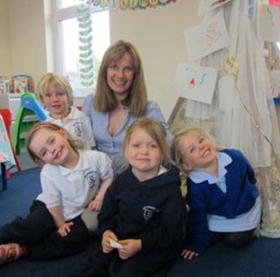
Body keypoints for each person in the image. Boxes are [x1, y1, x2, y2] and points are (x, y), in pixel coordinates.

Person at [72, 118, 186, 277]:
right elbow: (107, 211)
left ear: (163, 152)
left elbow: (171, 232)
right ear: (126, 149)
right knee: (96, 263)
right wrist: (107, 231)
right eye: (136, 145)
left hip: (155, 244)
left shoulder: (171, 190)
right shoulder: (121, 180)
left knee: (127, 271)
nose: (144, 151)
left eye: (153, 146)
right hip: (121, 236)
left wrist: (141, 245)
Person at [0, 122, 114, 265]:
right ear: (41, 160)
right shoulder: (48, 172)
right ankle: (4, 235)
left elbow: (108, 177)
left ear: (63, 133)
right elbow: (53, 203)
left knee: (74, 239)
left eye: (52, 141)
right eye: (44, 153)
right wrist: (60, 224)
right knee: (33, 227)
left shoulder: (97, 158)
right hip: (48, 207)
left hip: (78, 211)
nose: (52, 150)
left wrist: (99, 197)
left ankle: (21, 249)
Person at [82, 40, 172, 175]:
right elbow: (82, 141)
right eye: (114, 67)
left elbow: (169, 145)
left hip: (134, 182)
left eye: (127, 69)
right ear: (105, 71)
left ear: (135, 74)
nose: (120, 75)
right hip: (97, 178)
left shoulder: (149, 109)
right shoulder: (90, 102)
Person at [171, 127, 262, 260]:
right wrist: (199, 243)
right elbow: (198, 213)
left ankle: (251, 228)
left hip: (244, 210)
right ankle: (214, 235)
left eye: (201, 140)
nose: (201, 146)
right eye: (192, 149)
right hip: (218, 214)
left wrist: (252, 188)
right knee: (201, 235)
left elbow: (249, 173)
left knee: (236, 241)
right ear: (186, 165)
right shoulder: (195, 184)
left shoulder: (234, 157)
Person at [37, 72, 95, 150]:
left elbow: (92, 145)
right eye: (48, 95)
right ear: (42, 99)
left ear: (68, 96)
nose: (55, 99)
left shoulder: (82, 118)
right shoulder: (45, 126)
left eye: (60, 94)